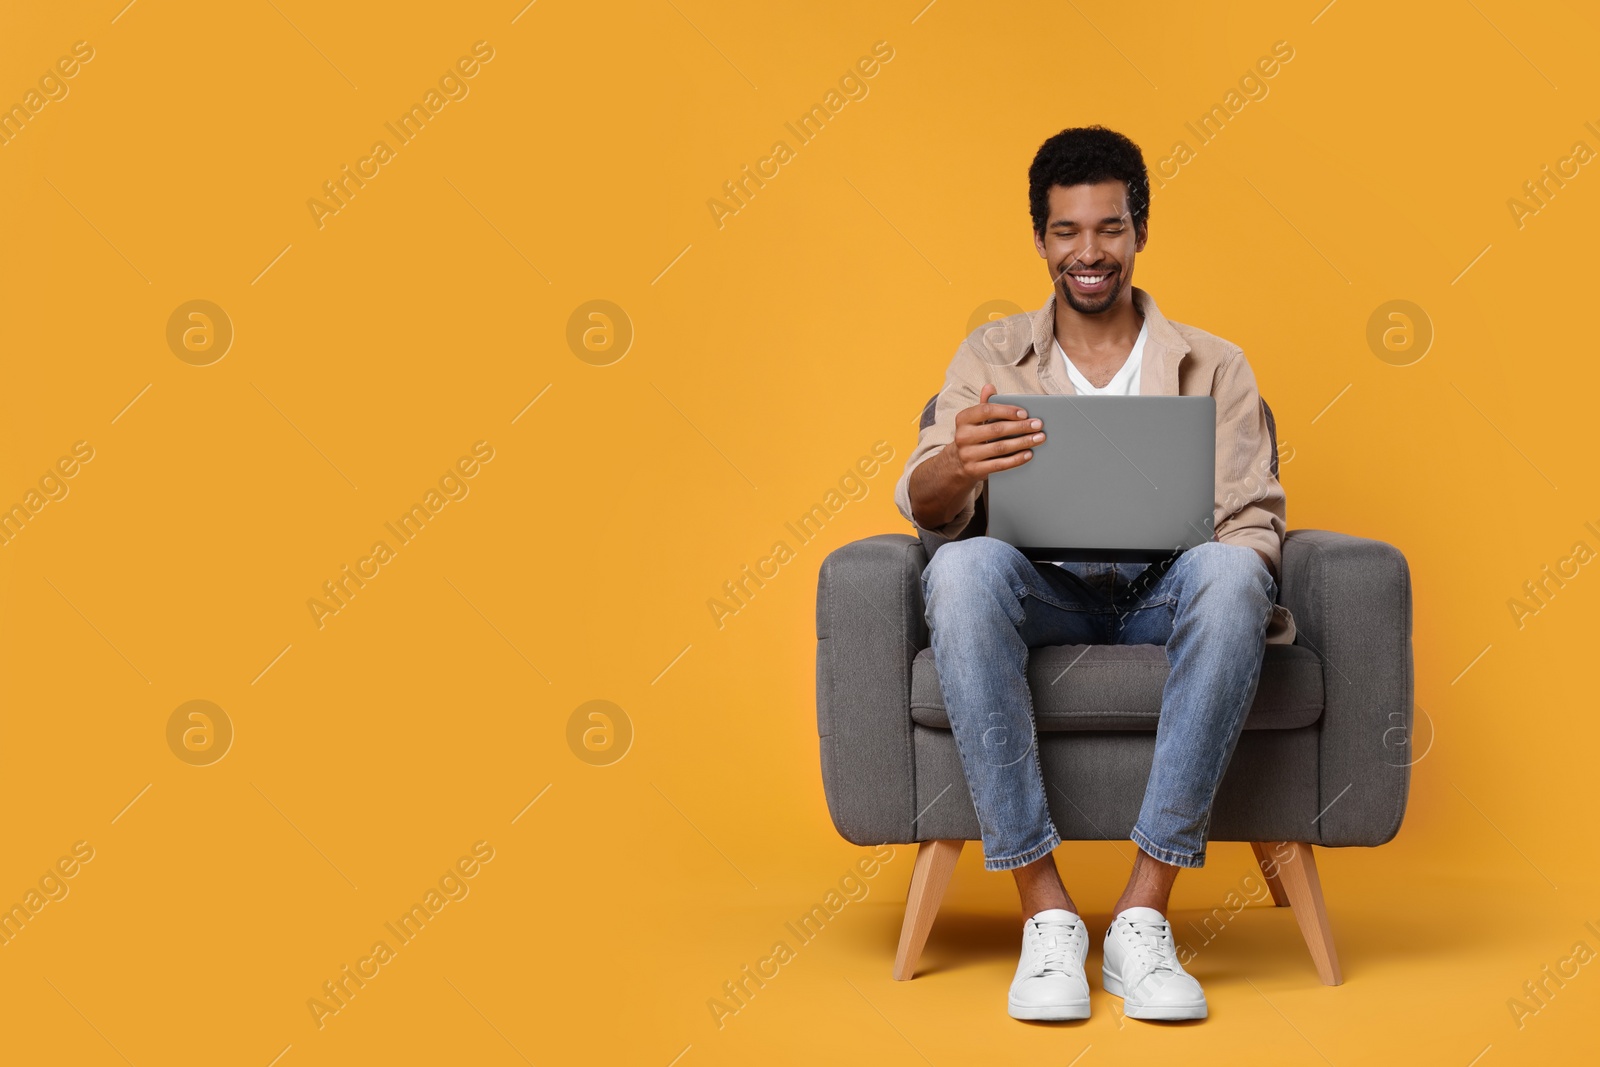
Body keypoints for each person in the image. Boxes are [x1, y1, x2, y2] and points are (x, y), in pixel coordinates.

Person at [893, 125, 1296, 1022]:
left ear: (1139, 233)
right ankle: (1047, 914)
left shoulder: (1215, 364)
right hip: (1045, 591)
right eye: (1067, 231)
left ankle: (1142, 916)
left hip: (1167, 595)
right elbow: (924, 501)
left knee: (1235, 578)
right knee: (961, 572)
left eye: (1109, 228)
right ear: (1039, 238)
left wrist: (1216, 558)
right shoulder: (989, 360)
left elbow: (1254, 520)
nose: (1089, 252)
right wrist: (958, 462)